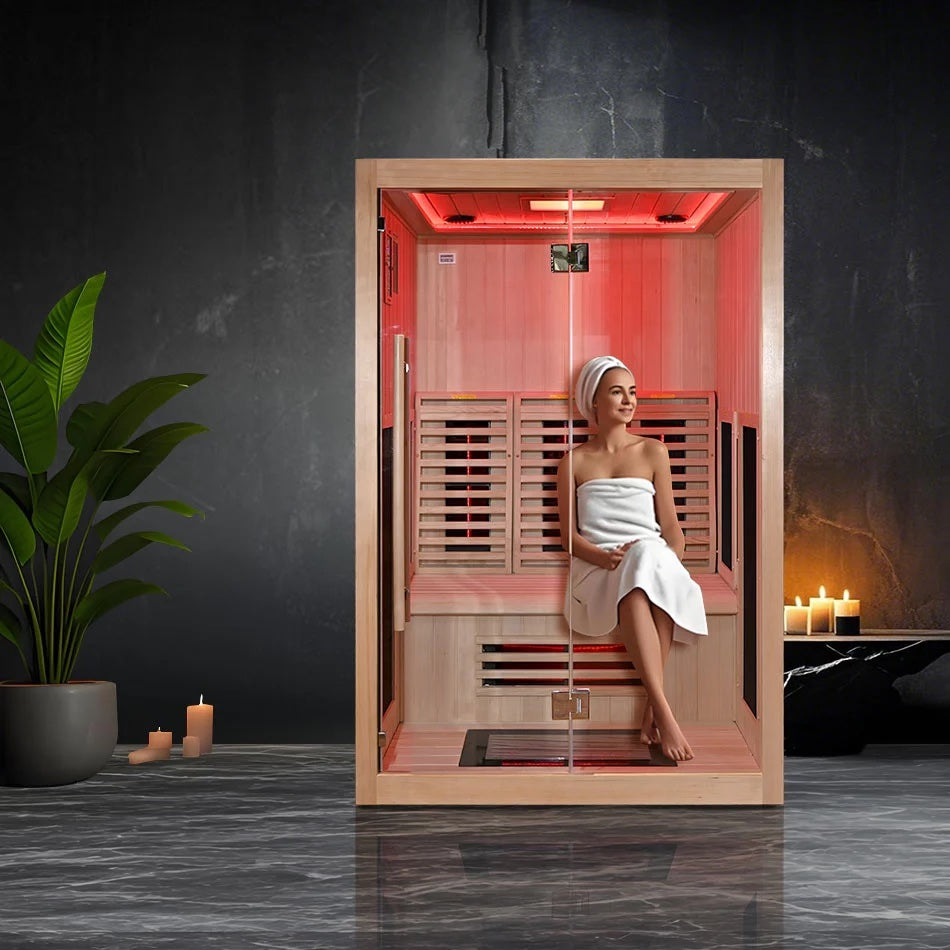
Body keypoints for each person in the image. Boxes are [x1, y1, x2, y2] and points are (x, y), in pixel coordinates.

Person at [557, 356, 708, 761]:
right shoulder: (574, 461)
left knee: (645, 562)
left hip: (650, 558)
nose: (628, 400)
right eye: (617, 391)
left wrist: (670, 558)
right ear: (593, 401)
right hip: (597, 567)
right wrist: (602, 556)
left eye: (633, 391)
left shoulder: (653, 452)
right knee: (638, 579)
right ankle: (660, 711)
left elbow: (672, 528)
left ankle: (656, 709)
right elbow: (568, 537)